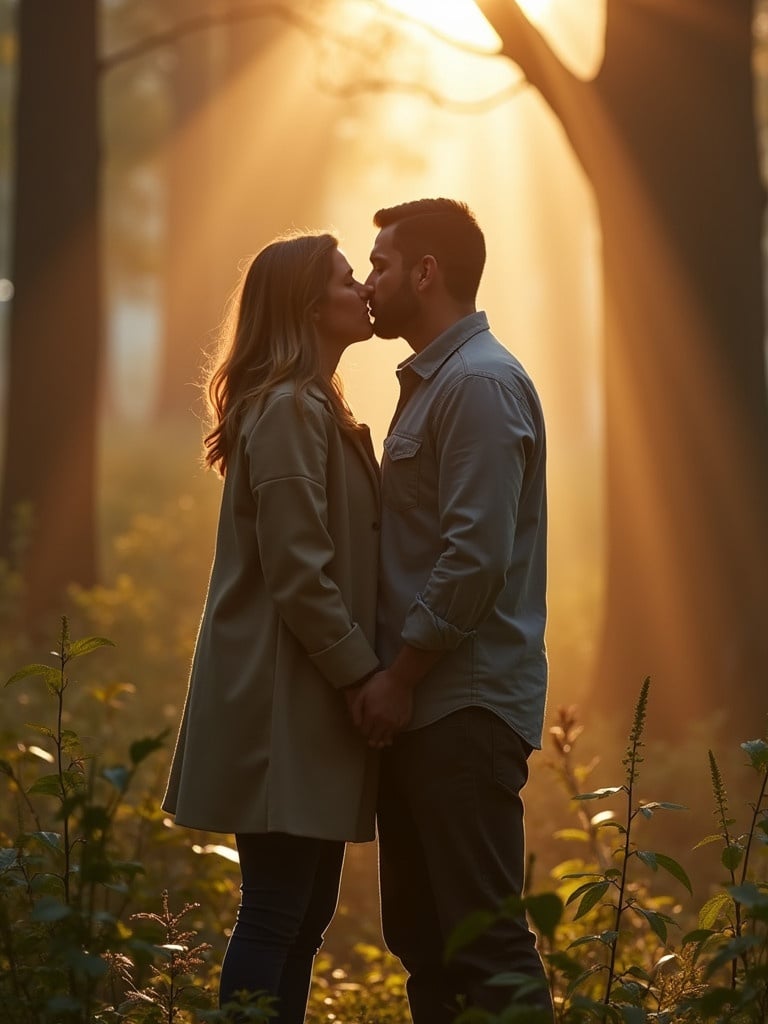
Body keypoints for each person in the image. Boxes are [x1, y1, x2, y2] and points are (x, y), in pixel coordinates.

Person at [162, 232, 381, 1024]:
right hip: (282, 700)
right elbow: (297, 571)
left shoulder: (314, 404)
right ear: (306, 305)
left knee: (302, 914)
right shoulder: (290, 410)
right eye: (347, 278)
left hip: (305, 694)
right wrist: (365, 677)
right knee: (277, 911)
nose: (362, 289)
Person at [350, 198, 554, 1022]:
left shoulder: (477, 386)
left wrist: (400, 677)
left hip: (458, 707)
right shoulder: (440, 382)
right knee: (427, 948)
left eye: (380, 264)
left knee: (486, 945)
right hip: (427, 710)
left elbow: (474, 560)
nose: (368, 283)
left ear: (426, 273)